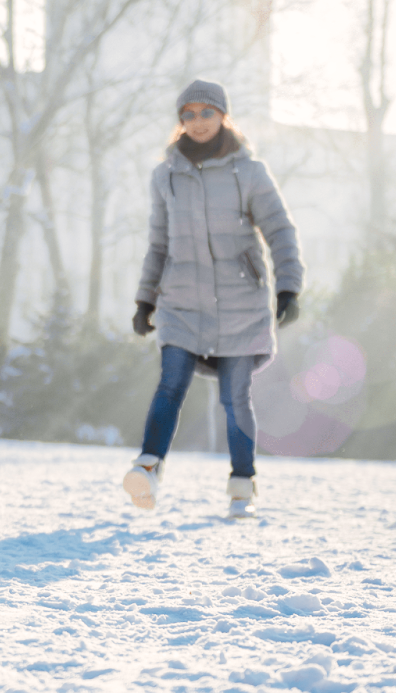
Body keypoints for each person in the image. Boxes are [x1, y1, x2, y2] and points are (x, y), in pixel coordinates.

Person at [124, 79, 304, 517]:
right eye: (188, 114)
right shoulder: (165, 175)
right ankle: (147, 467)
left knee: (234, 396)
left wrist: (288, 285)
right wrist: (145, 301)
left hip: (241, 304)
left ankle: (242, 482)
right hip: (181, 301)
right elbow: (158, 244)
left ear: (223, 115)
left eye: (207, 113)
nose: (198, 122)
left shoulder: (250, 172)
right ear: (180, 121)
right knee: (171, 383)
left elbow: (279, 229)